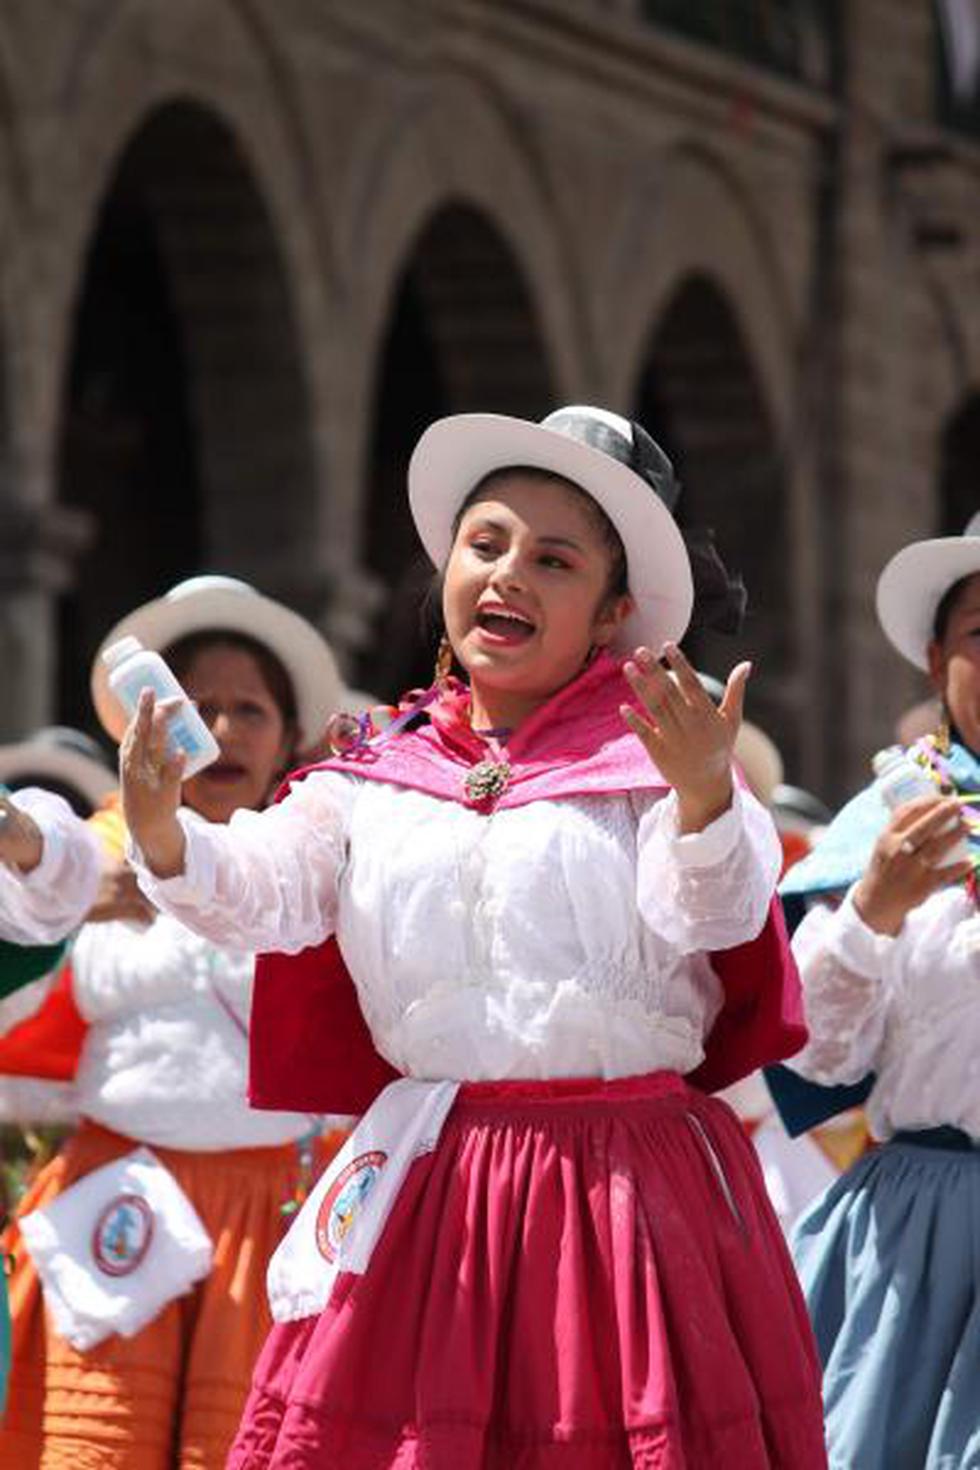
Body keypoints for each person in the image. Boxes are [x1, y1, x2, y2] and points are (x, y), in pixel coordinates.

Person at [122, 408, 826, 1468]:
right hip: (433, 1185)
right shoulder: (374, 770)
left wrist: (696, 802)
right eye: (486, 545)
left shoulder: (653, 764)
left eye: (553, 559)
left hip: (620, 1190)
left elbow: (714, 918)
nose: (508, 577)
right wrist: (164, 830)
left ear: (611, 612)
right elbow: (264, 891)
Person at [0, 576, 350, 1470]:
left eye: (249, 709)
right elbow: (47, 869)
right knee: (91, 1454)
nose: (223, 730)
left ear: (287, 742)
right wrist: (31, 848)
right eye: (199, 707)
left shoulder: (320, 858)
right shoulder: (101, 849)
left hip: (275, 1209)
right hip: (114, 1195)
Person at [780, 512, 980, 1469]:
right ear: (939, 658)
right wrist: (873, 910)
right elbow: (817, 1054)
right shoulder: (889, 830)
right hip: (923, 1245)